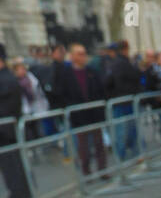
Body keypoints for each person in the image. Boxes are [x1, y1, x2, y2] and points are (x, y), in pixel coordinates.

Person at [59, 42, 108, 178]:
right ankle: (86, 171)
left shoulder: (92, 71)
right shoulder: (66, 74)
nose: (83, 57)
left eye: (84, 54)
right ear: (73, 56)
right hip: (79, 117)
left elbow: (101, 90)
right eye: (80, 54)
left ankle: (102, 170)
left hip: (94, 114)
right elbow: (62, 94)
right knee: (83, 147)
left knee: (99, 143)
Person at [0, 43, 34, 198]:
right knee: (15, 168)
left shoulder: (5, 79)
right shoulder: (8, 77)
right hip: (10, 131)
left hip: (7, 132)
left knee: (13, 169)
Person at [104, 40, 141, 163]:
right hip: (124, 101)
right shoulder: (123, 63)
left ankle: (127, 154)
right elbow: (131, 80)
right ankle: (125, 155)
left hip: (121, 100)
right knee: (125, 130)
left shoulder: (114, 64)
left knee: (124, 130)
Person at [12, 57, 49, 142]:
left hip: (37, 107)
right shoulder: (15, 82)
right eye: (19, 69)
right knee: (29, 132)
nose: (22, 71)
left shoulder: (31, 78)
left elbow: (38, 92)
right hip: (25, 110)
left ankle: (42, 146)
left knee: (39, 129)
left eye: (23, 69)